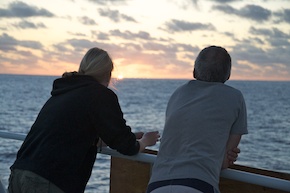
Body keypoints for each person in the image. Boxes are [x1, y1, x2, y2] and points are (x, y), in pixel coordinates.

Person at [8, 47, 160, 193]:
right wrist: (145, 141)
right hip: (48, 179)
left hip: (19, 172)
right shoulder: (100, 95)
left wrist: (129, 137)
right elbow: (128, 147)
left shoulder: (63, 92)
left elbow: (72, 133)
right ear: (108, 73)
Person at [146, 45, 248, 193]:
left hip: (157, 184)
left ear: (194, 72)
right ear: (228, 75)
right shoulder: (235, 97)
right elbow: (224, 162)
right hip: (198, 184)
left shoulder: (178, 94)